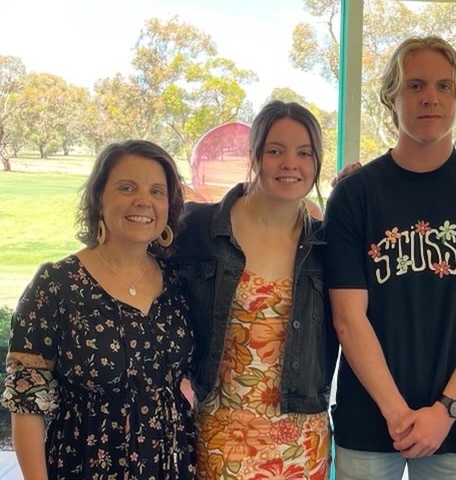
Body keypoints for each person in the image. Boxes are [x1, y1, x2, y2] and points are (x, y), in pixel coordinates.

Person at [324, 36, 456, 480]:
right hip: (368, 423)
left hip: (454, 422)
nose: (430, 97)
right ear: (392, 96)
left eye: (443, 86)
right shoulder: (355, 196)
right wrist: (396, 413)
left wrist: (445, 411)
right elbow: (349, 319)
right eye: (414, 85)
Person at [1, 139, 196, 479]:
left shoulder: (178, 282)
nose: (143, 201)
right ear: (99, 199)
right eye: (127, 187)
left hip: (172, 465)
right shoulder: (57, 284)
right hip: (85, 465)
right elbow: (27, 403)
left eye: (157, 191)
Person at [173, 100, 338, 480]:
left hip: (302, 437)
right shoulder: (198, 229)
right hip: (221, 434)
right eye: (275, 151)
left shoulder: (326, 245)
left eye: (304, 153)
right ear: (255, 154)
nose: (289, 164)